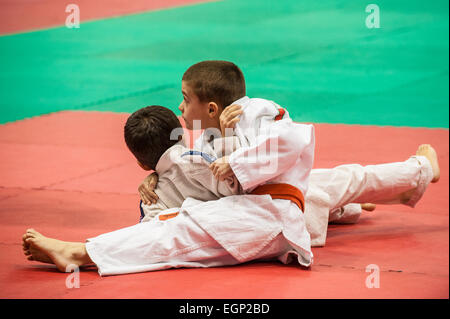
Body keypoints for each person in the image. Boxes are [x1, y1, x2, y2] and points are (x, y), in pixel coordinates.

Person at [139, 60, 440, 246]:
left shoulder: (256, 111)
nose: (180, 107)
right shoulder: (208, 137)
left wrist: (233, 158)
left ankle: (415, 175)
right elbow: (198, 171)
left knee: (343, 179)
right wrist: (157, 175)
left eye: (185, 99)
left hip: (277, 202)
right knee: (340, 182)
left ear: (212, 108)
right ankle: (374, 196)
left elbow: (287, 143)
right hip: (273, 211)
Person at [23, 104, 317, 275]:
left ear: (140, 163)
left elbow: (235, 185)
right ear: (179, 135)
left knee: (174, 230)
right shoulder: (193, 158)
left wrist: (226, 139)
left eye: (185, 99)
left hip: (260, 217)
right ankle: (80, 252)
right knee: (173, 228)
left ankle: (79, 253)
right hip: (256, 219)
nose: (182, 106)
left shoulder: (178, 173)